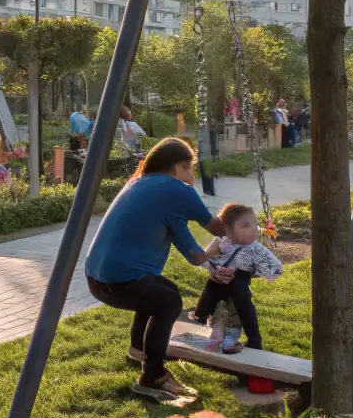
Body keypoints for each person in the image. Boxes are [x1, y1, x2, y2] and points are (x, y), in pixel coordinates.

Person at [83, 138, 229, 402]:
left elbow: (193, 254)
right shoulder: (177, 190)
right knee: (168, 301)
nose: (192, 175)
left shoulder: (139, 182)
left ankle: (140, 349)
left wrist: (207, 256)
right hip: (120, 283)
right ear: (181, 166)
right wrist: (240, 230)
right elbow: (217, 228)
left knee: (163, 290)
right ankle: (153, 376)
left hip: (97, 278)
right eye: (191, 169)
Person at [189, 203, 282, 352]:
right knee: (210, 293)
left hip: (239, 283)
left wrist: (259, 272)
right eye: (245, 225)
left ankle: (254, 341)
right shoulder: (221, 242)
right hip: (218, 280)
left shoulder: (255, 248)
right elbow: (204, 259)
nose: (253, 229)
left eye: (254, 224)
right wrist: (215, 270)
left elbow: (275, 265)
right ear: (227, 230)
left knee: (243, 299)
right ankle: (199, 319)